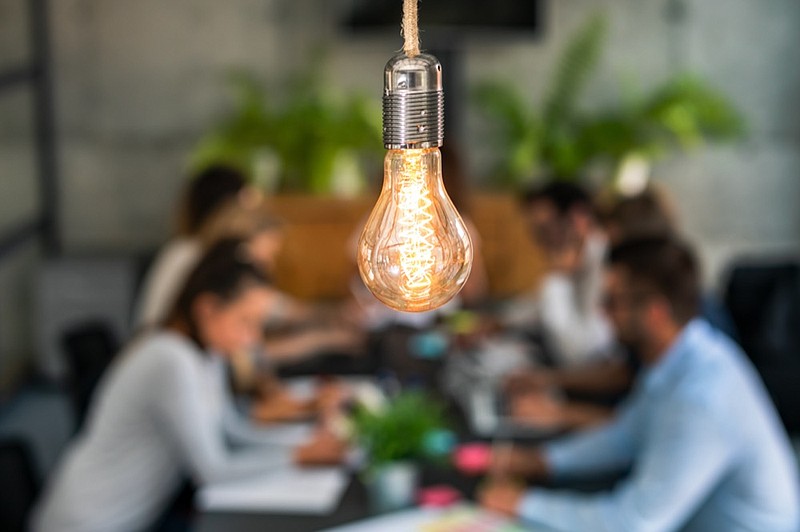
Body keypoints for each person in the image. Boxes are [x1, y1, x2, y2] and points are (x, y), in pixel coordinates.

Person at [479, 236, 800, 532]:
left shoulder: (701, 398)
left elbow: (632, 523)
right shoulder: (686, 354)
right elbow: (628, 434)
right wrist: (544, 461)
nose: (602, 313)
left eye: (612, 301)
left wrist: (523, 504)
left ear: (656, 313)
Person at [33, 240, 345, 532]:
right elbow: (213, 469)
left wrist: (303, 444)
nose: (252, 339)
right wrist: (300, 455)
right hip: (89, 522)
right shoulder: (170, 359)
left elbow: (231, 432)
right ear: (207, 309)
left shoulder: (206, 354)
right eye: (245, 322)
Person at [134, 165, 255, 330]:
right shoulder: (190, 254)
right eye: (246, 204)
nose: (251, 217)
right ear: (228, 209)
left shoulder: (186, 251)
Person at [510, 181, 613, 367]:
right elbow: (536, 309)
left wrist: (557, 277)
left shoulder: (608, 264)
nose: (542, 242)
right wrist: (499, 324)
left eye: (546, 229)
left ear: (578, 218)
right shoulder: (582, 262)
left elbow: (574, 351)